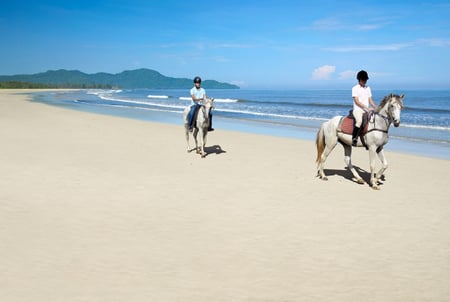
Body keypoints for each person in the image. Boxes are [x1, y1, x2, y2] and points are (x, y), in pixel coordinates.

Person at [351, 70, 377, 146]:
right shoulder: (355, 88)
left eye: (365, 80)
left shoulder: (368, 88)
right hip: (358, 110)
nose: (364, 81)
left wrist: (376, 107)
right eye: (363, 79)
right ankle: (354, 138)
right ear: (359, 79)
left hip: (367, 110)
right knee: (359, 121)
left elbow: (370, 100)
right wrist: (367, 108)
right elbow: (356, 101)